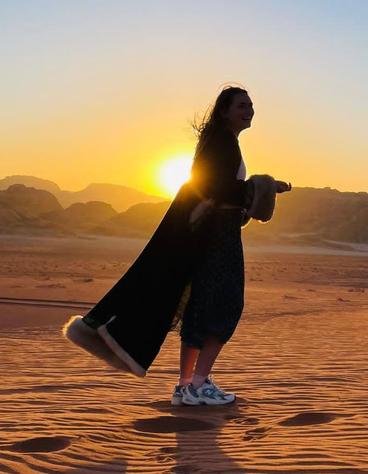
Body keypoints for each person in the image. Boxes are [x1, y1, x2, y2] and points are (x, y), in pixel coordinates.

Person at [63, 85, 291, 407]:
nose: (249, 110)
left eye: (251, 105)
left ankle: (187, 385)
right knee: (226, 306)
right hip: (218, 236)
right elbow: (218, 188)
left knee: (201, 305)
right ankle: (196, 384)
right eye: (242, 105)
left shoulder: (221, 142)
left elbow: (216, 188)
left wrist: (258, 190)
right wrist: (265, 187)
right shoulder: (222, 143)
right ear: (224, 111)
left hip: (212, 232)